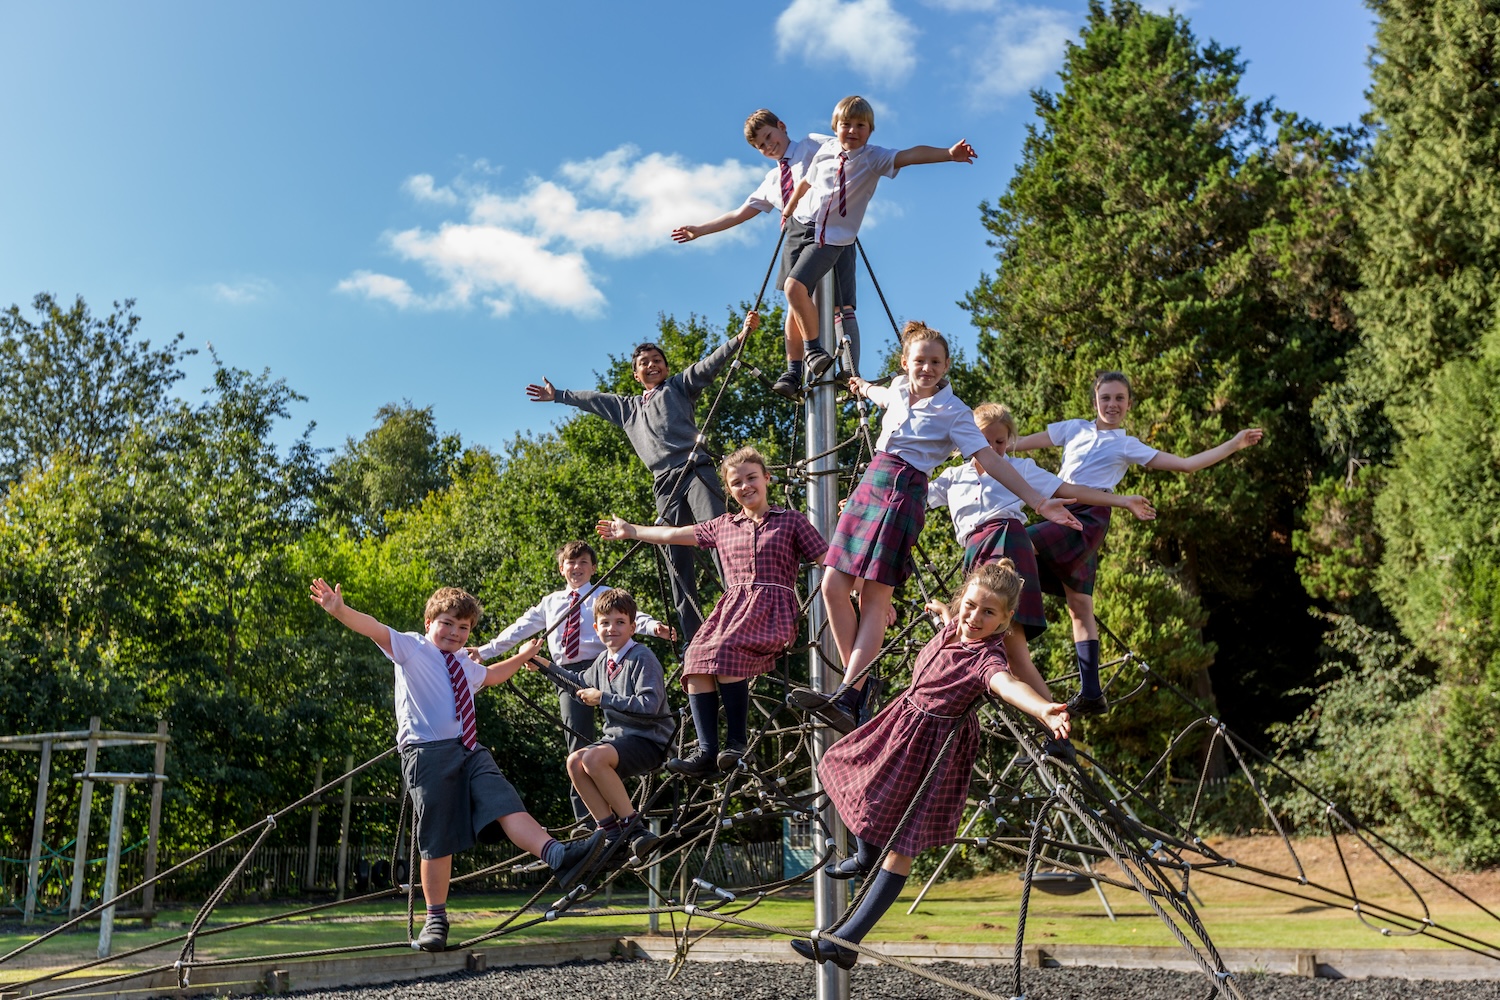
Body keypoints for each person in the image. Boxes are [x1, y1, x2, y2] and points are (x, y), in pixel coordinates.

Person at [789, 321, 1081, 735]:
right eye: (919, 361)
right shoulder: (896, 389)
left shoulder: (955, 413)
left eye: (935, 362)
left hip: (904, 491)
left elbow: (994, 462)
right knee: (832, 585)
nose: (926, 368)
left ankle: (850, 692)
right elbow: (879, 393)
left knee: (874, 598)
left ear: (946, 367)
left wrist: (1038, 501)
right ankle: (858, 689)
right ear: (905, 362)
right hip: (871, 484)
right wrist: (859, 384)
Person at [790, 561, 1071, 970]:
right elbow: (953, 619)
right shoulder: (954, 627)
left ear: (1006, 620)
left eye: (988, 613)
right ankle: (866, 855)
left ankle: (846, 940)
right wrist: (944, 611)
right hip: (901, 725)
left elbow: (1008, 685)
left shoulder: (986, 660)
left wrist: (1044, 708)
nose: (974, 618)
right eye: (970, 606)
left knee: (902, 845)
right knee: (845, 773)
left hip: (935, 750)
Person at [308, 580, 603, 952]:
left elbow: (492, 676)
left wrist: (523, 654)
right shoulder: (412, 647)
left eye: (463, 628)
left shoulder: (465, 663)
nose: (455, 633)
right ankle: (436, 917)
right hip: (427, 753)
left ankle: (557, 855)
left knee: (505, 803)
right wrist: (339, 610)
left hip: (470, 749)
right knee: (437, 836)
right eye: (447, 623)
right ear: (429, 621)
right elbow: (373, 627)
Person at [1010, 371, 1263, 716]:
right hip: (1062, 505)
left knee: (1017, 541)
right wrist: (979, 444)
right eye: (1106, 398)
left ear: (1129, 403)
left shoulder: (1127, 444)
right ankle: (1092, 692)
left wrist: (1234, 443)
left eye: (1119, 399)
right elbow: (1014, 444)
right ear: (1095, 400)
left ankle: (1014, 619)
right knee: (1079, 607)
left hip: (1090, 515)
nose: (1112, 405)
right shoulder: (1072, 428)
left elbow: (1186, 465)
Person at [525, 311, 760, 642]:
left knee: (720, 534)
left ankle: (744, 606)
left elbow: (708, 366)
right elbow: (593, 400)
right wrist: (559, 395)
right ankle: (693, 637)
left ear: (665, 367)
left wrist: (740, 338)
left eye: (657, 360)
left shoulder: (678, 387)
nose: (652, 365)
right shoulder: (628, 408)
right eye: (644, 363)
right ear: (636, 374)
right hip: (665, 484)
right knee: (674, 557)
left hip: (694, 471)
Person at [597, 447, 827, 778]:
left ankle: (736, 741)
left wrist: (858, 589)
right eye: (736, 483)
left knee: (723, 648)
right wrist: (632, 530)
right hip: (732, 609)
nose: (745, 486)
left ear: (766, 479)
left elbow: (827, 559)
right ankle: (707, 751)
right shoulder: (723, 525)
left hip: (772, 608)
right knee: (697, 655)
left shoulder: (790, 521)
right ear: (729, 490)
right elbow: (674, 534)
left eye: (751, 478)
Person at [928, 402, 1156, 702]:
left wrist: (1122, 500)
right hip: (975, 552)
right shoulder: (954, 476)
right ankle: (1046, 724)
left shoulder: (1018, 468)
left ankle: (1054, 732)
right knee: (978, 644)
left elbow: (1066, 489)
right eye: (984, 441)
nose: (994, 448)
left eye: (1000, 441)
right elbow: (919, 499)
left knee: (1012, 649)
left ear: (1009, 441)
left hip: (1008, 542)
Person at [777, 96, 976, 396]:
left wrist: (948, 154)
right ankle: (801, 361)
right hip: (806, 226)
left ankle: (813, 350)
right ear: (835, 127)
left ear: (870, 131)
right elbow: (807, 180)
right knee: (794, 298)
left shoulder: (873, 158)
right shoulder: (827, 149)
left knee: (796, 288)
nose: (853, 131)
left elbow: (910, 155)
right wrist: (789, 207)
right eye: (846, 125)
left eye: (861, 126)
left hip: (832, 239)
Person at [467, 540, 675, 825]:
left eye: (584, 563)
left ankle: (620, 810)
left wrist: (655, 627)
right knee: (578, 744)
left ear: (593, 568)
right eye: (571, 562)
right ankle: (588, 819)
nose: (577, 568)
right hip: (568, 674)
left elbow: (631, 617)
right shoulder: (551, 603)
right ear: (561, 568)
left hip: (604, 663)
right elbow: (519, 628)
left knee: (614, 736)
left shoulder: (604, 597)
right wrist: (486, 650)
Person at [670, 110, 852, 398]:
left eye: (769, 137)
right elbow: (740, 213)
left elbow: (847, 147)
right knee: (795, 301)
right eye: (761, 146)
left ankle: (849, 368)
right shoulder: (771, 180)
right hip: (795, 233)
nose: (768, 146)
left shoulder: (811, 144)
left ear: (782, 126)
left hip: (830, 225)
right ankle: (794, 369)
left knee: (841, 304)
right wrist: (701, 230)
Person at [547, 588, 675, 869]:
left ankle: (634, 828)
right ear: (595, 629)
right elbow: (578, 681)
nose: (612, 629)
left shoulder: (642, 658)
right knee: (574, 762)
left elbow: (649, 706)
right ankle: (610, 831)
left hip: (650, 740)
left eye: (619, 622)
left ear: (632, 626)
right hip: (619, 743)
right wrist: (545, 666)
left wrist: (603, 698)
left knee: (592, 757)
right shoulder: (603, 662)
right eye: (605, 623)